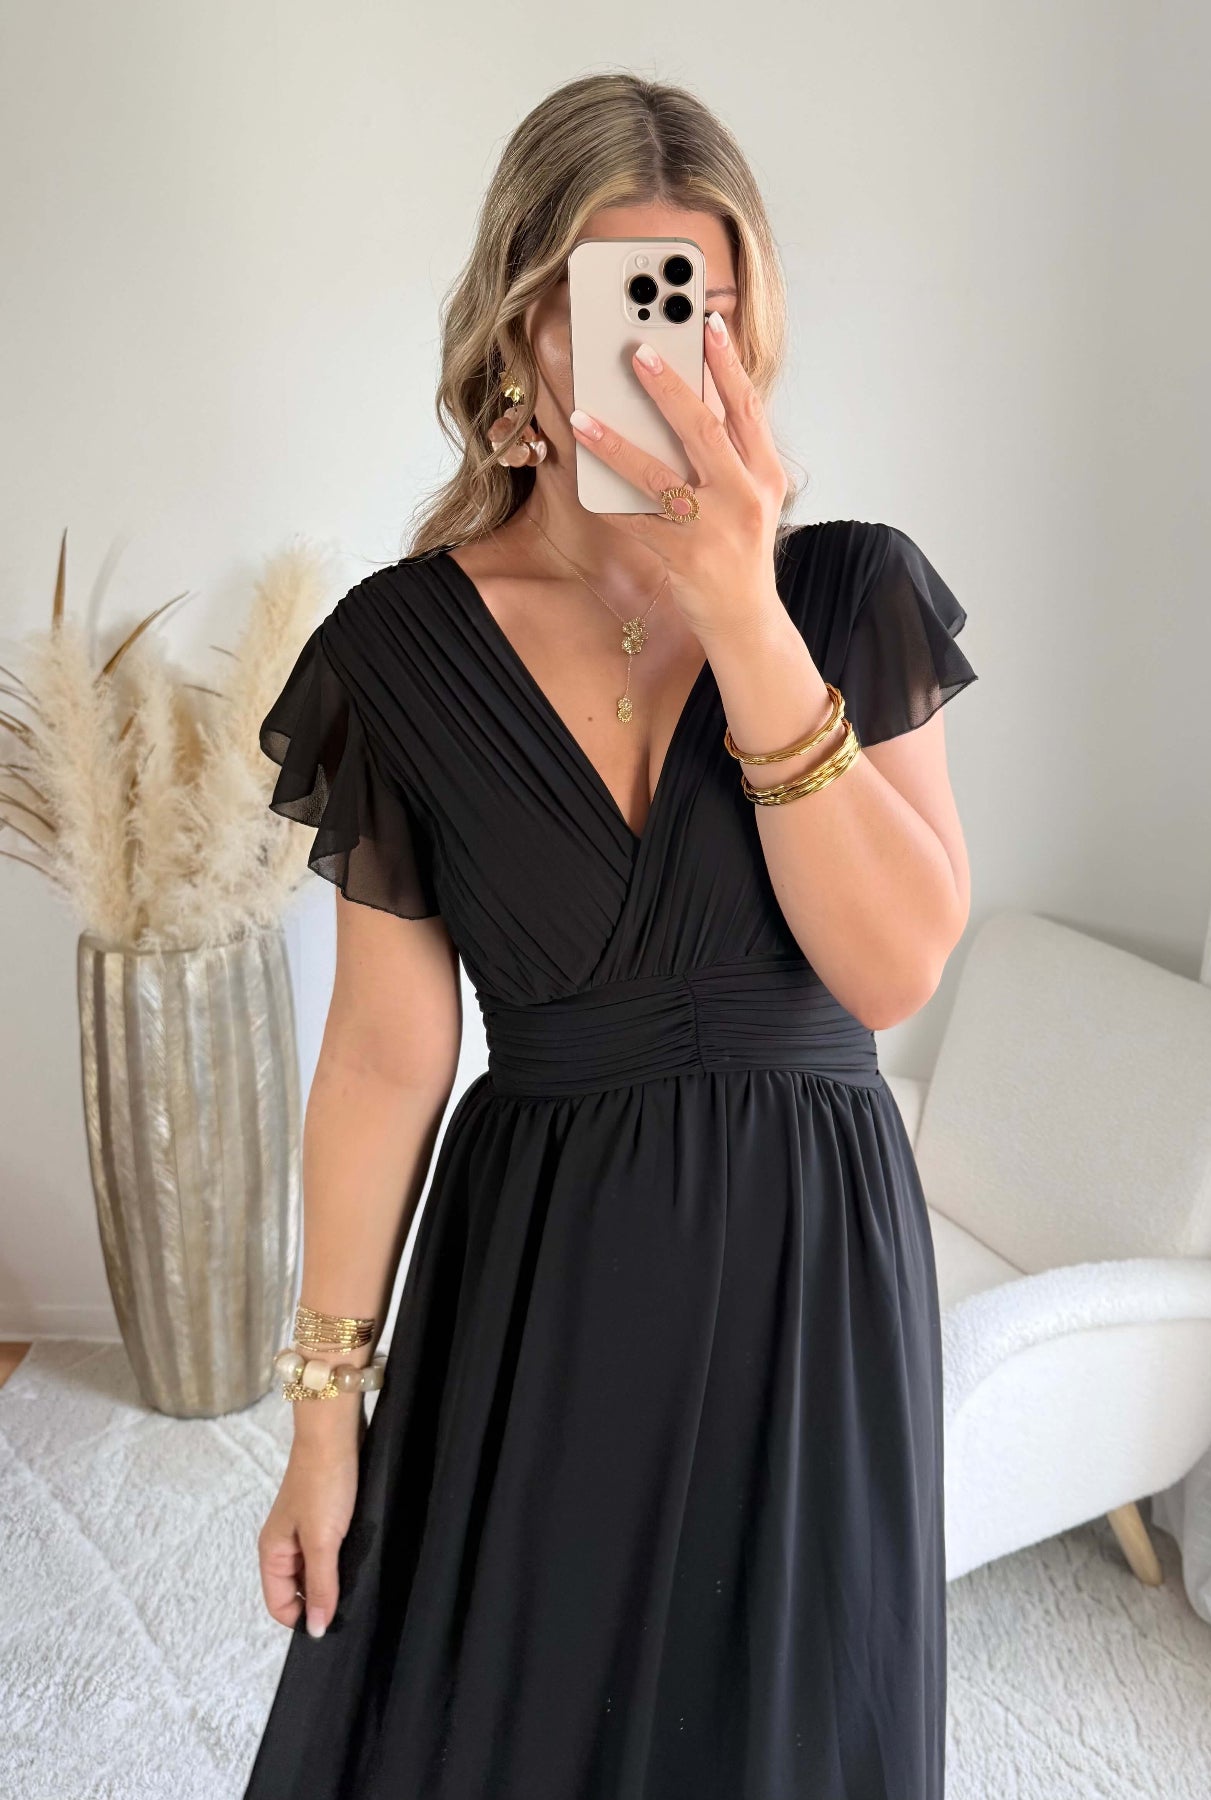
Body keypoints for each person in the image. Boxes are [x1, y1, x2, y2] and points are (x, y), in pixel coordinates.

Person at [244, 69, 977, 1800]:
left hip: (812, 1275)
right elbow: (383, 1059)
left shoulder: (845, 595)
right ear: (526, 324)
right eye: (624, 297)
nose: (668, 350)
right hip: (543, 1273)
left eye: (703, 303)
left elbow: (891, 967)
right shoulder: (398, 651)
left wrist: (742, 610)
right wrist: (322, 1416)